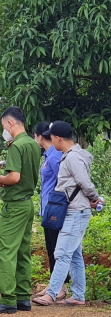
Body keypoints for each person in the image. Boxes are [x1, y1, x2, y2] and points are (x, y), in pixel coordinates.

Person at [32, 121, 103, 307]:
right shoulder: (73, 155)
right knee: (75, 255)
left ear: (58, 138)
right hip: (76, 211)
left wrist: (94, 197)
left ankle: (52, 293)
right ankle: (78, 295)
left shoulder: (71, 158)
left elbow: (84, 182)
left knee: (61, 253)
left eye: (52, 137)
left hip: (75, 212)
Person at [0, 107, 41, 314]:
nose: (4, 130)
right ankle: (23, 297)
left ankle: (8, 298)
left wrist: (0, 179)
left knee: (6, 251)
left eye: (3, 126)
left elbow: (14, 177)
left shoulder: (16, 146)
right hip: (27, 203)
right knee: (23, 251)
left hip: (15, 205)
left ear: (10, 124)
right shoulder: (33, 144)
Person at [33, 121, 69, 299]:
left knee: (56, 248)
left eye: (35, 135)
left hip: (54, 208)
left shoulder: (54, 156)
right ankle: (54, 284)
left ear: (40, 136)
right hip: (47, 208)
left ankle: (60, 287)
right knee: (50, 248)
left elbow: (63, 180)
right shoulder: (49, 155)